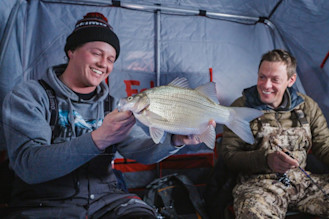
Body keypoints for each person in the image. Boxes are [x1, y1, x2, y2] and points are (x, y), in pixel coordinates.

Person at [1, 12, 213, 219]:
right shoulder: (29, 96)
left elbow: (140, 150)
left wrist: (174, 141)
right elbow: (29, 167)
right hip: (44, 204)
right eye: (96, 53)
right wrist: (99, 138)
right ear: (71, 51)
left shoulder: (113, 105)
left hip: (106, 201)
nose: (104, 64)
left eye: (111, 58)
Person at [220, 49, 329, 218]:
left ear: (291, 80)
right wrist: (266, 160)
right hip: (258, 186)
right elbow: (229, 156)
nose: (266, 85)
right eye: (262, 77)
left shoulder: (307, 106)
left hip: (303, 182)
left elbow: (326, 148)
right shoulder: (240, 108)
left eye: (275, 79)